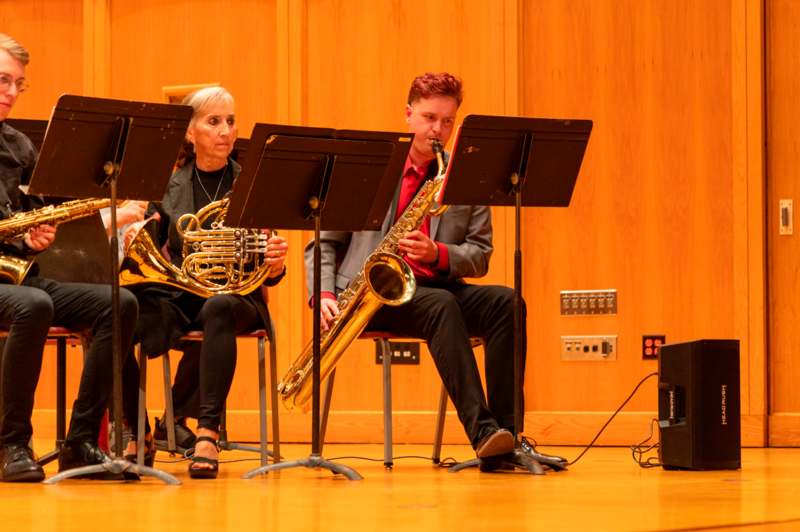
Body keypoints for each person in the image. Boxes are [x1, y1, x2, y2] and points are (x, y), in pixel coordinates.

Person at [306, 72, 563, 471]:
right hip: (370, 296)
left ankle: (508, 438)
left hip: (435, 283)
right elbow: (322, 242)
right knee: (442, 304)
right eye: (429, 118)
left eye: (447, 121)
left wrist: (438, 253)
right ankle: (483, 433)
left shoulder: (463, 175)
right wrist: (321, 293)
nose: (438, 130)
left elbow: (480, 255)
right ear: (408, 115)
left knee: (506, 302)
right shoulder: (371, 169)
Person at [124, 86, 287, 479]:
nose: (225, 131)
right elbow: (146, 238)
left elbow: (272, 270)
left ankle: (207, 433)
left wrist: (275, 261)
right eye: (214, 122)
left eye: (230, 121)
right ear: (190, 132)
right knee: (117, 308)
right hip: (181, 293)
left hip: (237, 298)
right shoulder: (167, 185)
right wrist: (135, 236)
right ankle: (138, 429)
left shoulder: (253, 183)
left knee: (218, 308)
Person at [0, 33, 139, 482]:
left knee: (119, 303)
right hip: (17, 291)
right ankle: (12, 444)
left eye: (19, 84)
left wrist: (36, 234)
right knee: (33, 305)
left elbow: (32, 216)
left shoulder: (19, 145)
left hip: (15, 274)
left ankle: (80, 443)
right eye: (3, 81)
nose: (11, 93)